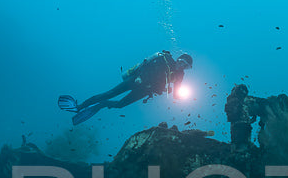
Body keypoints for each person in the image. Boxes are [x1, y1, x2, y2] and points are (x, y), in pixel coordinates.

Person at [59, 51, 192, 125]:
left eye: (185, 66)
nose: (182, 66)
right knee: (109, 93)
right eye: (182, 62)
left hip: (145, 91)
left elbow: (176, 92)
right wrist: (140, 77)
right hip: (136, 81)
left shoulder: (180, 75)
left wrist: (179, 96)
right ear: (178, 59)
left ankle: (101, 105)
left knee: (120, 105)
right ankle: (79, 107)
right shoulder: (164, 59)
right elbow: (146, 66)